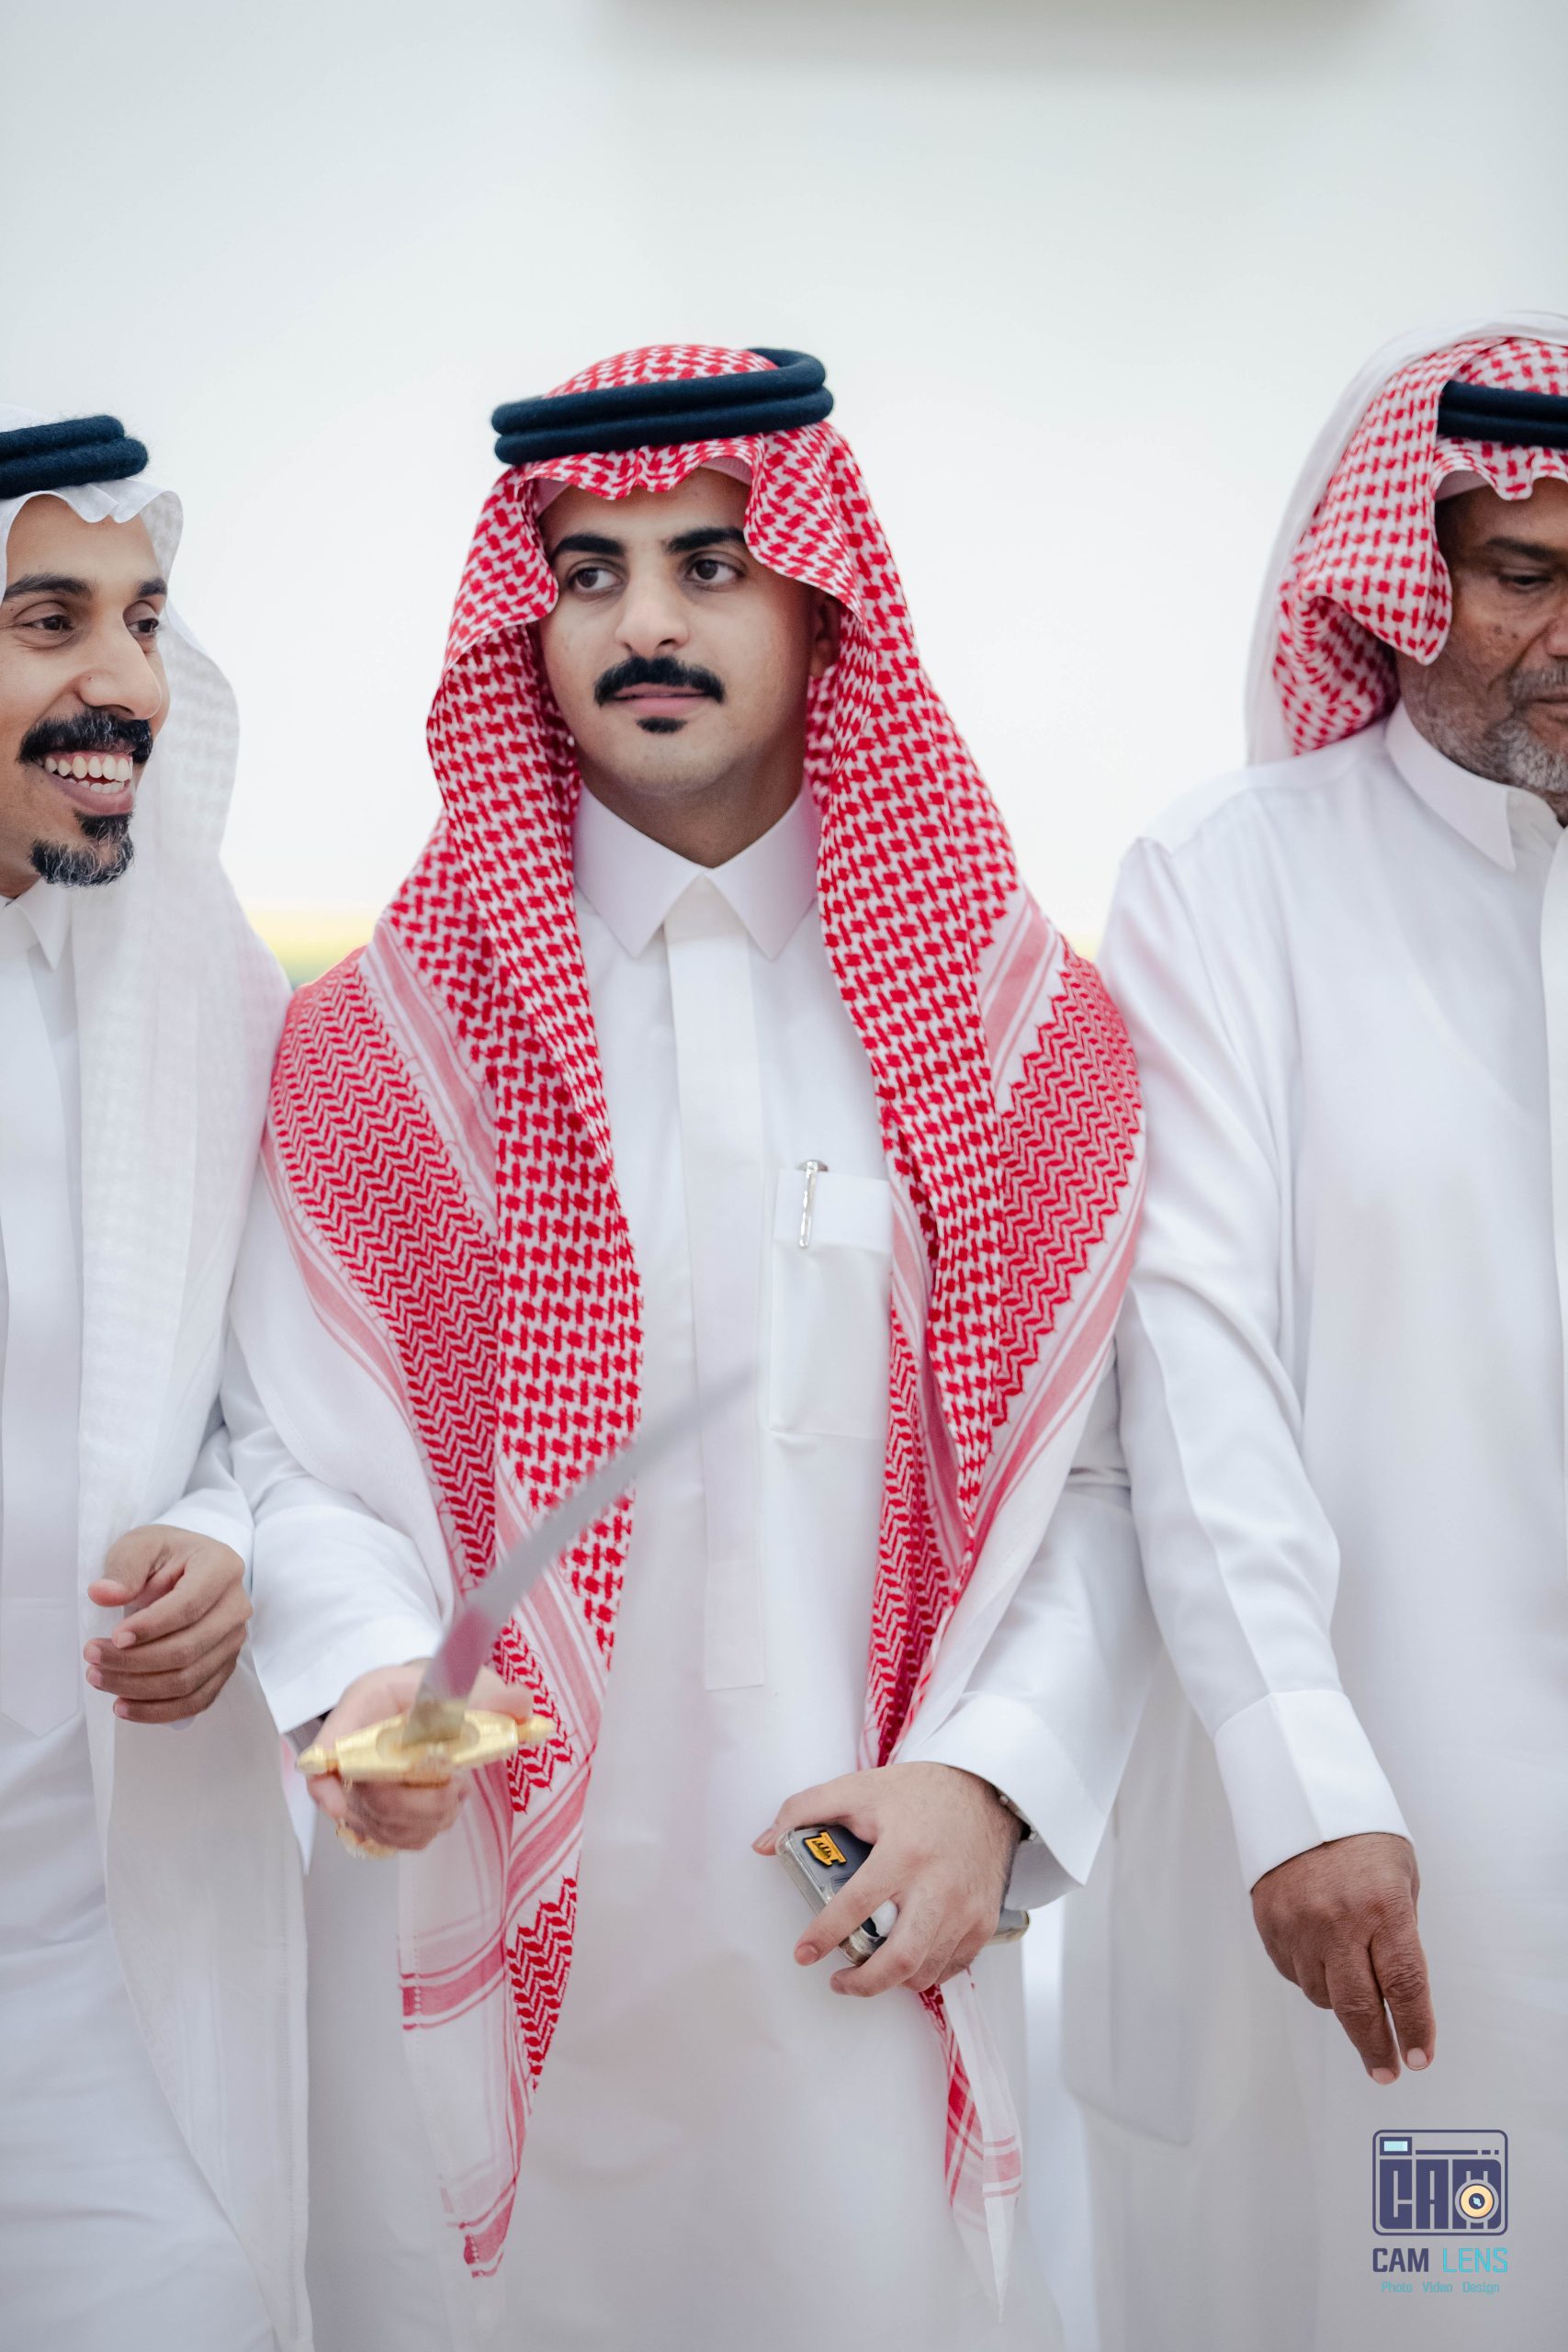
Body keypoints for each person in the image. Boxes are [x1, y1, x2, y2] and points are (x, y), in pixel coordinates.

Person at [229, 344, 1153, 2350]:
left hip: (856, 1922)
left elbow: (1093, 1481)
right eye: (586, 572)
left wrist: (990, 1785)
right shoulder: (381, 1051)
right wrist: (367, 1671)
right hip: (468, 1916)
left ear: (821, 603)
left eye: (709, 563)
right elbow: (288, 1452)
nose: (642, 619)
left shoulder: (1020, 1041)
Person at [1067, 314, 1568, 2351]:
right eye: (1524, 573)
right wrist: (1302, 1774)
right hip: (1374, 1840)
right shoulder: (1232, 882)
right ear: (1399, 579)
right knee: (1412, 2286)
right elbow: (1193, 1371)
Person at [0, 412, 307, 2350]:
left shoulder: (195, 989)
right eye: (50, 622)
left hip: (81, 1929)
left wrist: (219, 1538)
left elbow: (273, 1411)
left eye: (144, 617)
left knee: (188, 2292)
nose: (125, 680)